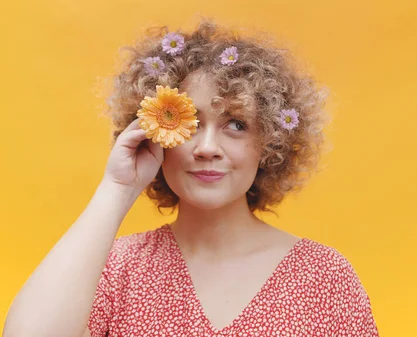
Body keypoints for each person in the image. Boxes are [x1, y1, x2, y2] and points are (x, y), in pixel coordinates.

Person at [3, 18, 379, 337]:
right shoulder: (115, 268)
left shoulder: (324, 277)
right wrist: (116, 188)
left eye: (236, 124)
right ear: (154, 131)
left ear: (269, 142)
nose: (207, 147)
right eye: (190, 122)